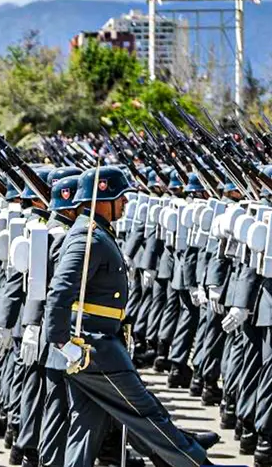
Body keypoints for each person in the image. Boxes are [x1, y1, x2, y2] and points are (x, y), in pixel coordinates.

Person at [44, 166, 213, 467]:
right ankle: (196, 462)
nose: (125, 204)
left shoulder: (95, 233)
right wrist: (61, 342)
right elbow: (59, 292)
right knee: (146, 414)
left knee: (86, 428)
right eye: (120, 197)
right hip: (93, 348)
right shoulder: (88, 237)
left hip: (96, 343)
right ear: (103, 199)